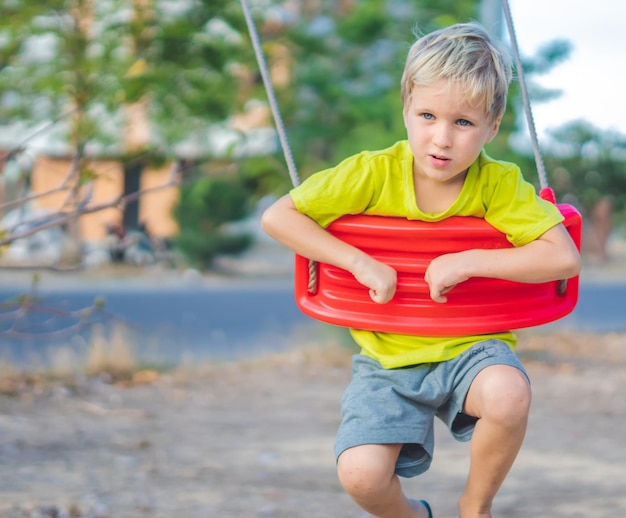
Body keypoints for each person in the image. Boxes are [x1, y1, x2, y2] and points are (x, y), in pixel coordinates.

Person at [261, 22, 581, 518]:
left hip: (473, 347)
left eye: (463, 122)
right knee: (362, 476)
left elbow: (562, 257)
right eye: (427, 115)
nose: (441, 138)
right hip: (386, 361)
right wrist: (358, 262)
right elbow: (278, 216)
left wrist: (470, 261)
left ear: (492, 126)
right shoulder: (371, 173)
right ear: (406, 108)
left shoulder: (498, 184)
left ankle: (475, 506)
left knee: (509, 394)